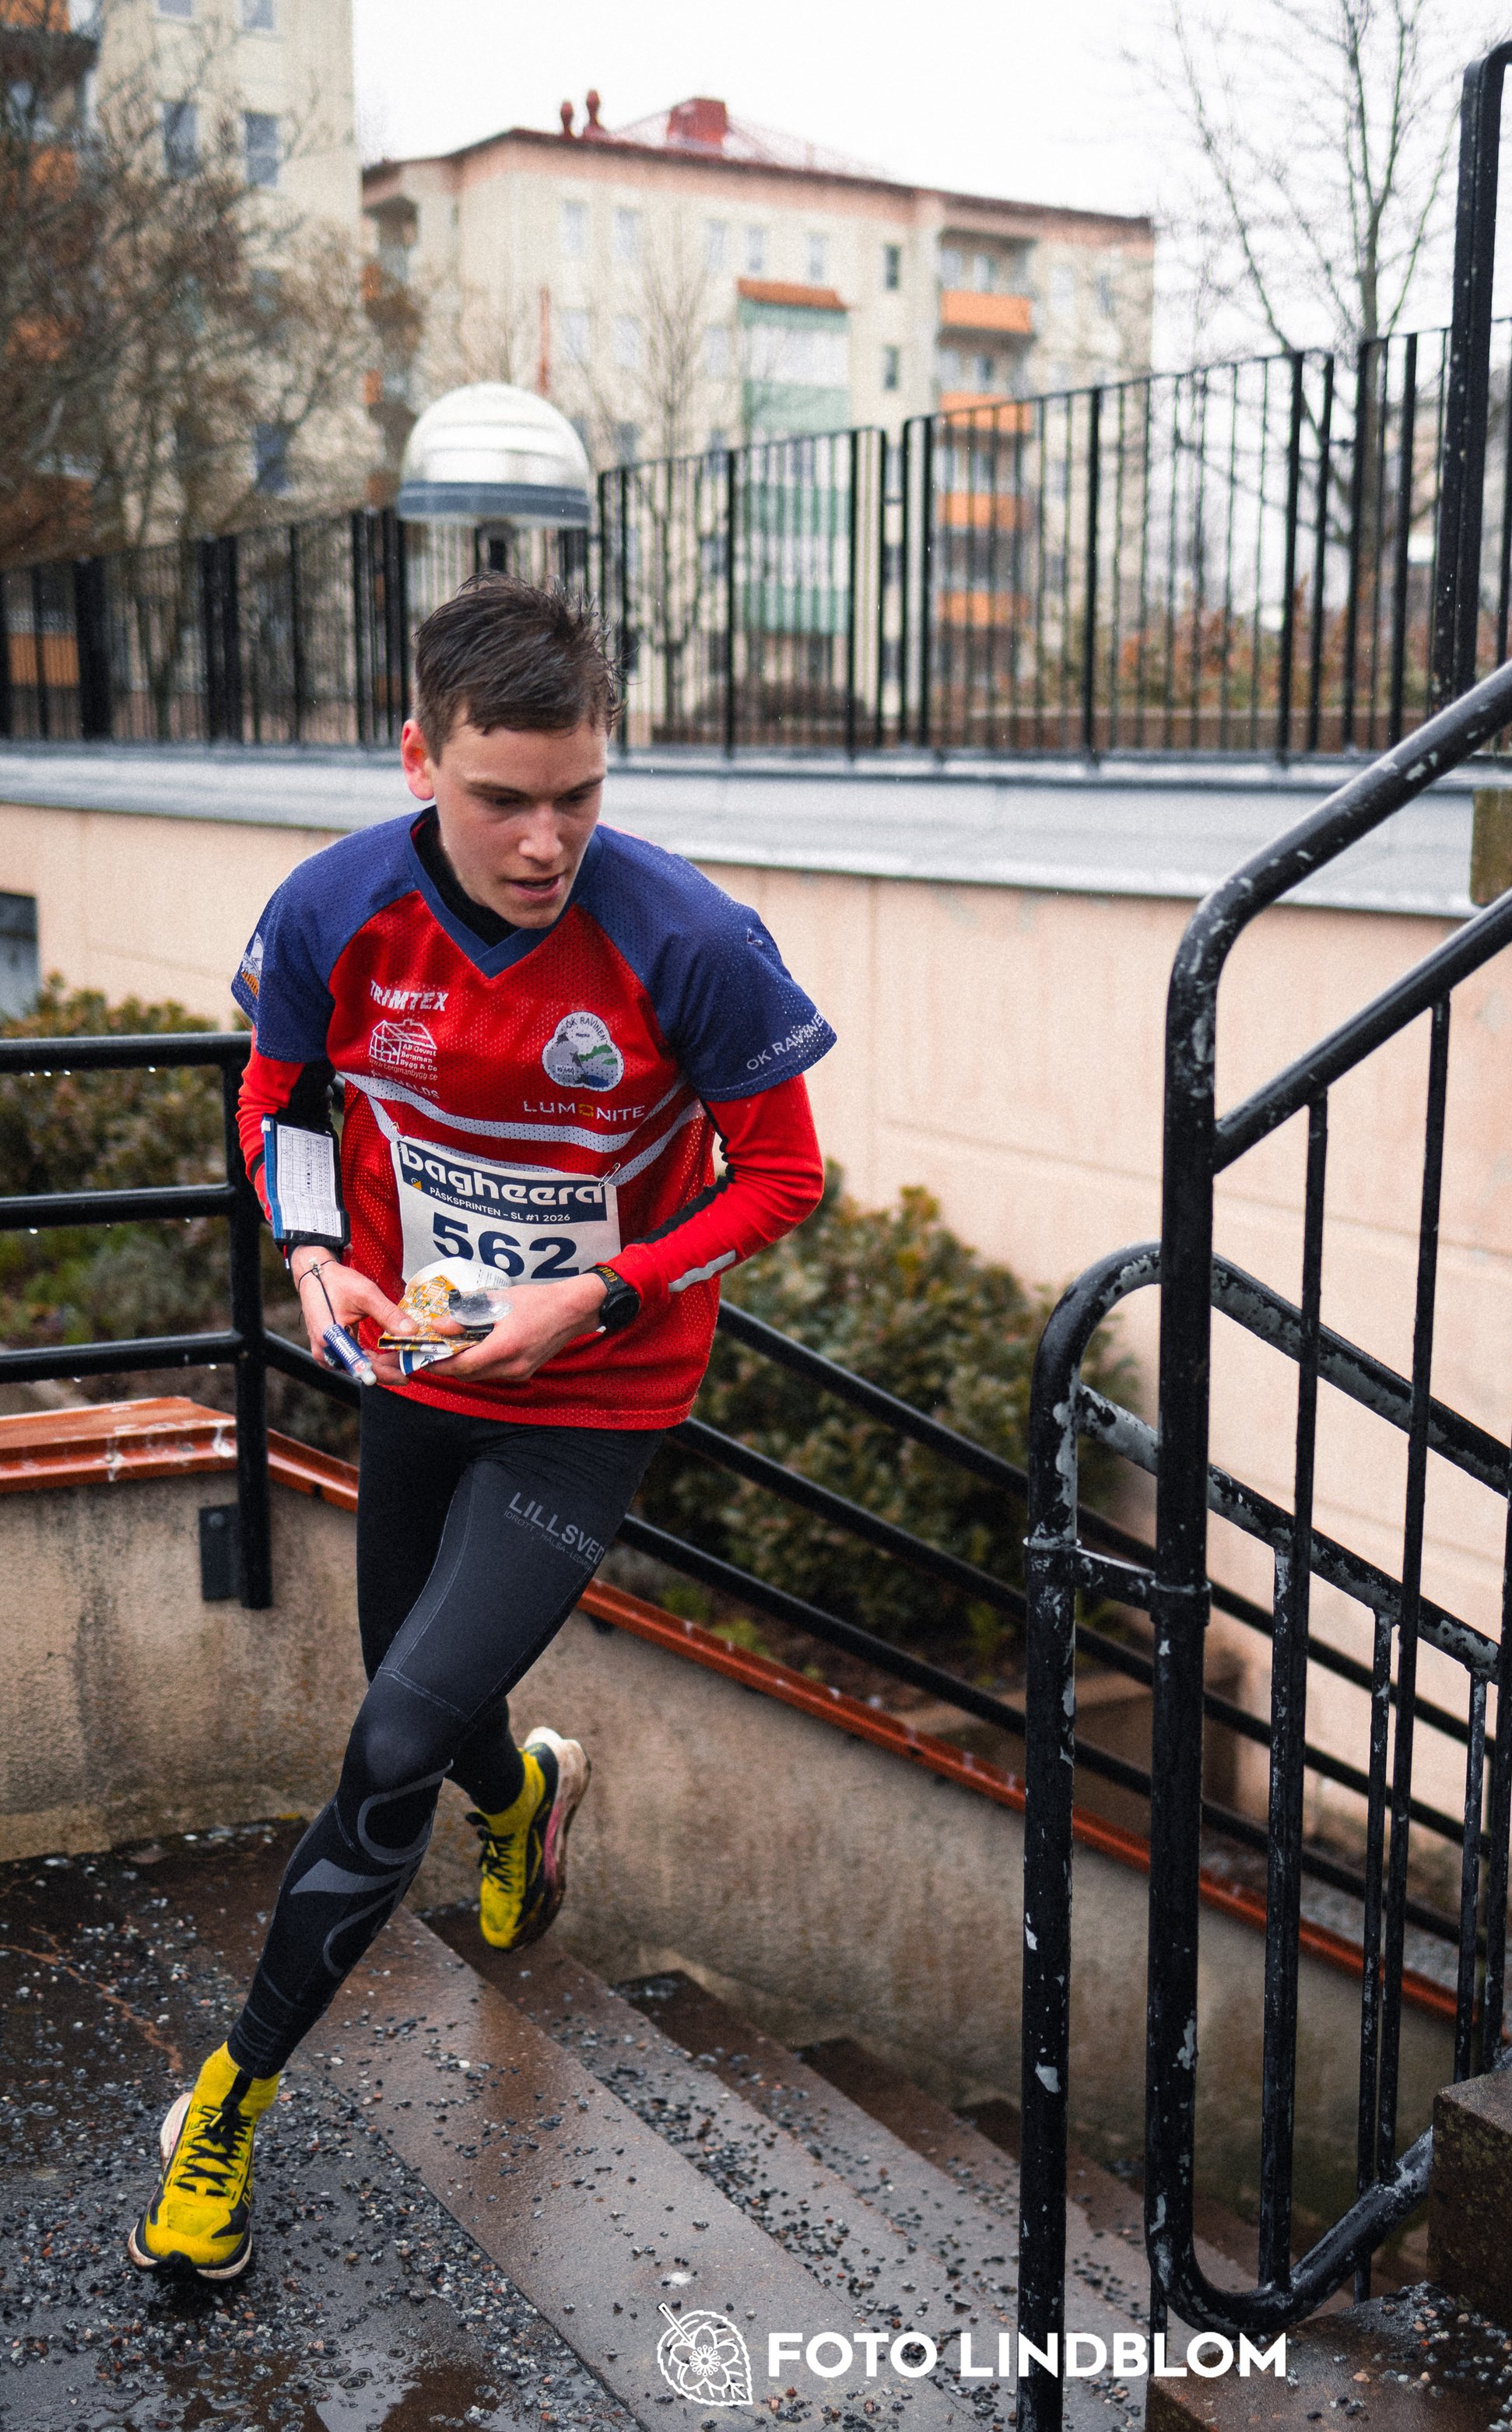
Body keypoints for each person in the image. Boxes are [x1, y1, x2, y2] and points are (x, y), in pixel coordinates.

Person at [129, 575, 832, 2280]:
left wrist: (595, 1296)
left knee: (384, 1747)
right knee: (421, 1698)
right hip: (420, 1372)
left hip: (590, 1397)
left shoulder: (690, 944)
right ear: (416, 756)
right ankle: (516, 1801)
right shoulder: (330, 913)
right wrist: (311, 1253)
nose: (544, 840)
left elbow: (785, 1176)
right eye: (503, 797)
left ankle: (230, 2100)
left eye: (579, 795)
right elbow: (281, 1094)